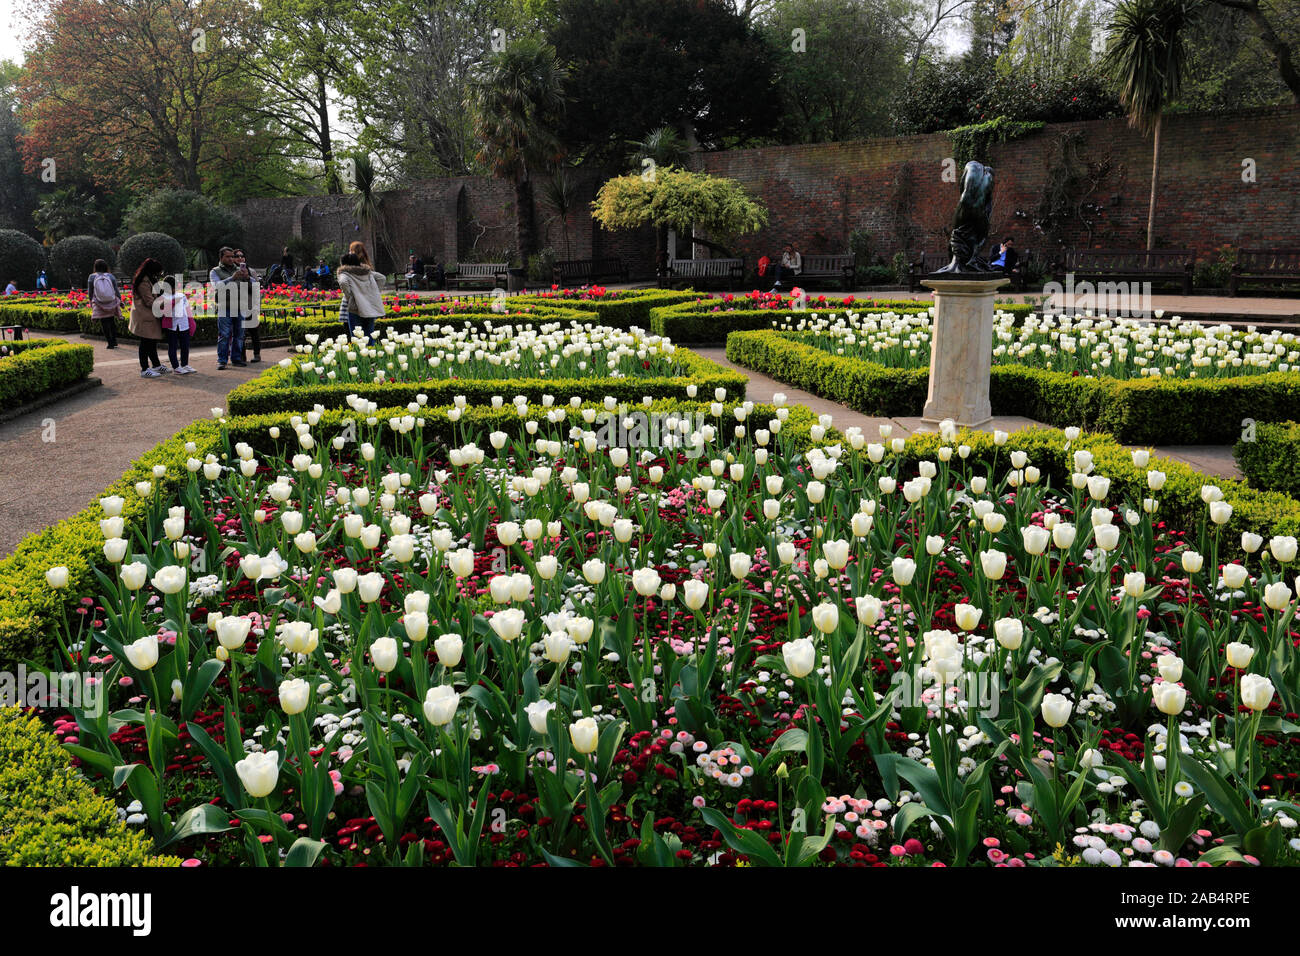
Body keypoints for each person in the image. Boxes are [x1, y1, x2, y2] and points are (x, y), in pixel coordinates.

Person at [210, 245, 250, 369]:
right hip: (224, 307)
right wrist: (232, 278)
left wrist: (248, 278)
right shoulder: (215, 271)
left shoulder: (239, 269)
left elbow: (253, 285)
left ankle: (236, 359)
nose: (231, 259)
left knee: (239, 335)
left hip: (239, 306)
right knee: (224, 335)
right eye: (228, 257)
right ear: (221, 258)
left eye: (232, 256)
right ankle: (222, 360)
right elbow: (216, 285)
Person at [129, 258, 166, 377]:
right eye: (158, 272)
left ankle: (156, 365)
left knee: (151, 342)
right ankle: (144, 369)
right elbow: (149, 301)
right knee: (145, 343)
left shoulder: (147, 279)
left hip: (148, 315)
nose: (159, 275)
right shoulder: (144, 282)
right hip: (144, 316)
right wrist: (166, 303)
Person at [338, 251, 385, 342]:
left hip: (355, 308)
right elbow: (382, 278)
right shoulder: (366, 272)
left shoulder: (345, 273)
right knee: (370, 334)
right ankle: (371, 353)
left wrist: (350, 297)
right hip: (369, 306)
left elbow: (343, 282)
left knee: (357, 337)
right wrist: (374, 293)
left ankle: (361, 355)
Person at [160, 277, 196, 374]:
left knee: (185, 346)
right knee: (173, 347)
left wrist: (191, 322)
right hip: (172, 327)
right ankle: (176, 367)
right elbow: (165, 312)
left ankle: (185, 364)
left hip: (184, 325)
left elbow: (187, 310)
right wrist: (174, 301)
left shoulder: (182, 295)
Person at [87, 260, 121, 349]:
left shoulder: (92, 277)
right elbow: (116, 289)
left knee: (104, 322)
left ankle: (110, 343)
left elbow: (90, 291)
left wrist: (90, 300)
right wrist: (119, 299)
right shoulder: (110, 276)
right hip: (111, 301)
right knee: (112, 321)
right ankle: (114, 341)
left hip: (99, 302)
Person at [235, 248, 262, 363]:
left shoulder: (251, 271)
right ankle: (242, 356)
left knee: (254, 331)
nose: (240, 258)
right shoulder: (231, 272)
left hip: (250, 306)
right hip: (237, 307)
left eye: (242, 256)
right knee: (240, 333)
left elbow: (256, 289)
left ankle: (257, 354)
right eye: (237, 256)